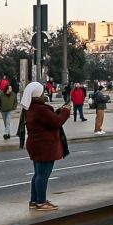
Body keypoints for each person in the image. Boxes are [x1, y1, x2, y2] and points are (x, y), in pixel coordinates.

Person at [20, 81, 70, 211]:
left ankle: (34, 200)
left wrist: (58, 111)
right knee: (43, 175)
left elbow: (49, 119)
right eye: (43, 92)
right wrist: (65, 112)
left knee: (38, 174)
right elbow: (56, 122)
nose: (44, 94)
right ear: (37, 95)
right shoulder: (40, 109)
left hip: (36, 145)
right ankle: (41, 202)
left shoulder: (31, 108)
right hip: (44, 146)